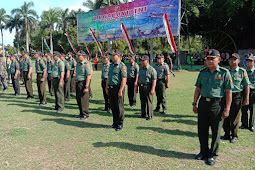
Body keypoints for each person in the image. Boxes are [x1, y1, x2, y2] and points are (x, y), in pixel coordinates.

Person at [193, 49, 233, 166]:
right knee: (202, 129)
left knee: (216, 131)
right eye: (208, 59)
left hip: (217, 104)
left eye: (212, 59)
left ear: (219, 59)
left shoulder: (224, 73)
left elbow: (228, 92)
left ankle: (213, 155)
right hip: (203, 103)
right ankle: (203, 152)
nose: (210, 61)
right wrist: (194, 103)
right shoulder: (203, 72)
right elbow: (197, 89)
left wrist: (227, 108)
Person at [221, 53, 250, 143]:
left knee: (235, 116)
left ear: (239, 61)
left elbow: (246, 85)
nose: (233, 61)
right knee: (225, 114)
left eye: (235, 59)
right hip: (226, 95)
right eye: (231, 59)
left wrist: (247, 98)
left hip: (237, 96)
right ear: (229, 60)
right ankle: (226, 134)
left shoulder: (242, 71)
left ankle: (234, 136)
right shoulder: (225, 71)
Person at [106, 50, 127, 131]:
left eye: (113, 55)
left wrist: (121, 90)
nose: (112, 57)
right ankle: (114, 123)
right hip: (111, 88)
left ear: (118, 56)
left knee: (119, 107)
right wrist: (107, 87)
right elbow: (108, 77)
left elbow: (124, 79)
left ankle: (120, 124)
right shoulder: (111, 65)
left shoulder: (122, 66)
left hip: (118, 88)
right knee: (113, 106)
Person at [136, 55, 157, 120]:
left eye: (143, 60)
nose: (141, 62)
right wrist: (137, 86)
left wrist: (153, 89)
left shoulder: (151, 69)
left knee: (149, 101)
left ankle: (150, 115)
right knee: (142, 100)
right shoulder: (140, 69)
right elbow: (138, 78)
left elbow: (154, 79)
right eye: (141, 61)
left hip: (148, 86)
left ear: (147, 61)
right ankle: (143, 114)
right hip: (141, 86)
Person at [75, 51, 92, 120]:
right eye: (78, 55)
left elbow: (88, 76)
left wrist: (86, 86)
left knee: (84, 99)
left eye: (79, 55)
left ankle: (85, 113)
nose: (78, 57)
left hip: (83, 82)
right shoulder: (78, 64)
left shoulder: (86, 64)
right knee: (78, 98)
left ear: (83, 56)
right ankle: (81, 113)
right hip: (78, 82)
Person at [240, 54, 255, 132]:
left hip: (253, 92)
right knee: (244, 108)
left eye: (250, 61)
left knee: (252, 109)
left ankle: (251, 125)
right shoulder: (243, 71)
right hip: (244, 91)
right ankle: (244, 124)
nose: (249, 63)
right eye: (247, 61)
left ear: (254, 62)